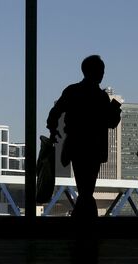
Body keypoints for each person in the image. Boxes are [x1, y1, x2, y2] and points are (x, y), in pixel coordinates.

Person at [47, 55, 122, 219]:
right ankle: (86, 223)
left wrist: (53, 130)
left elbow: (55, 112)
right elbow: (111, 123)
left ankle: (82, 222)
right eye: (101, 71)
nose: (102, 74)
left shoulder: (72, 91)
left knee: (84, 188)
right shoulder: (101, 97)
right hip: (95, 147)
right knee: (87, 188)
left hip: (76, 144)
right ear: (96, 72)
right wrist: (115, 110)